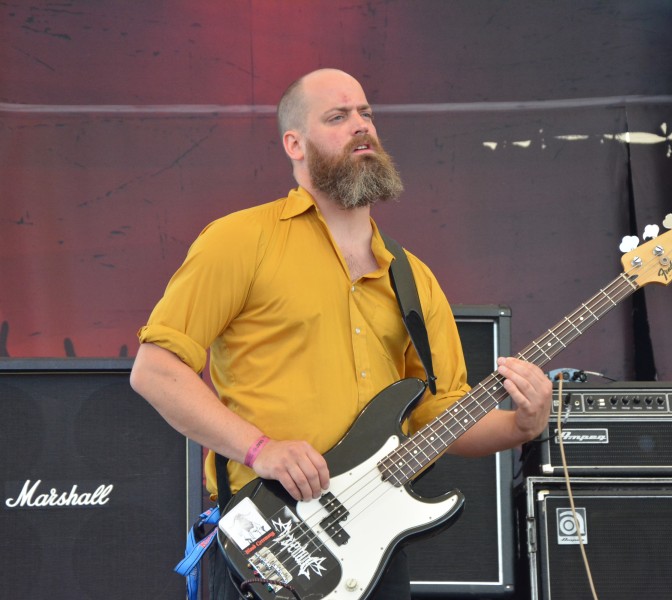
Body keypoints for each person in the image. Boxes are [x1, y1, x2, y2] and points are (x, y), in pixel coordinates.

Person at [130, 68, 552, 600]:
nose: (360, 126)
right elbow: (156, 370)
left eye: (366, 113)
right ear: (294, 144)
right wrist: (260, 449)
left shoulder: (413, 277)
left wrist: (524, 424)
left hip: (371, 549)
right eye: (337, 116)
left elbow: (440, 415)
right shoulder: (241, 239)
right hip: (270, 535)